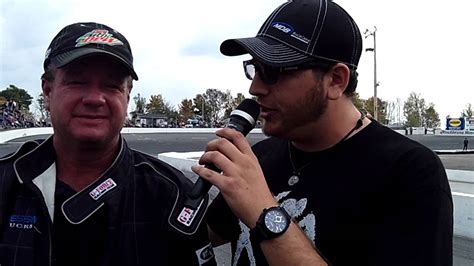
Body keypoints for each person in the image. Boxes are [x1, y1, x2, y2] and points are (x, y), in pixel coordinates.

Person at [192, 1, 453, 265]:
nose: (254, 88)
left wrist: (264, 212)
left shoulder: (409, 172)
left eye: (272, 71)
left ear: (336, 80)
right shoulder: (258, 158)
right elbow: (196, 236)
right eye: (254, 69)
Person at [0, 22, 215, 266]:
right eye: (77, 82)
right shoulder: (5, 182)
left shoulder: (174, 196)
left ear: (127, 97)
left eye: (111, 85)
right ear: (48, 91)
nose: (95, 98)